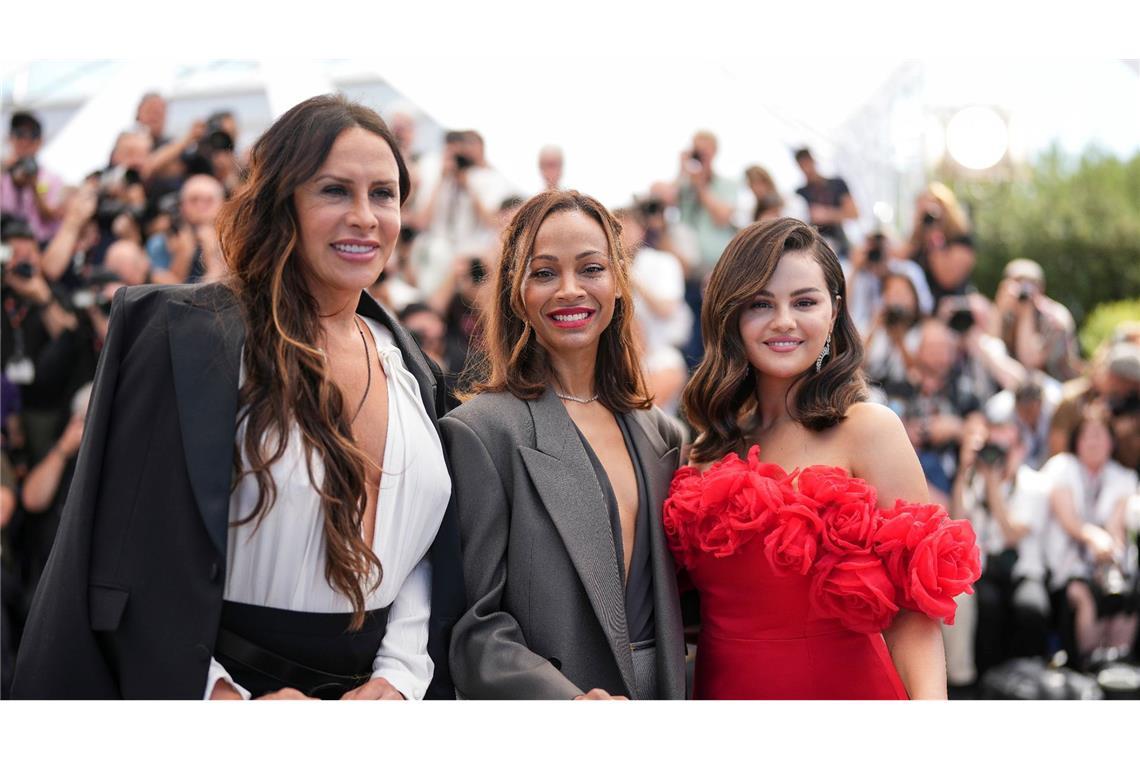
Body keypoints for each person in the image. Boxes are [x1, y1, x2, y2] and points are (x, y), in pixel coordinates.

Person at [11, 94, 464, 700]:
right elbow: (133, 545)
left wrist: (399, 674)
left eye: (383, 193)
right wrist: (220, 696)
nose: (365, 216)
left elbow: (420, 547)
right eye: (335, 191)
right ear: (282, 204)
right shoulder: (189, 339)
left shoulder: (415, 369)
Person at [665, 218, 980, 699]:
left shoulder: (869, 429)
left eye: (804, 301)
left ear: (833, 313)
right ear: (731, 316)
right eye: (761, 304)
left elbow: (915, 614)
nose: (784, 321)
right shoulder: (706, 446)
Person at [441, 190, 687, 699]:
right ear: (517, 292)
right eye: (545, 272)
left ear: (618, 283)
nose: (570, 290)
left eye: (591, 269)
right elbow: (473, 625)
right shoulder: (481, 432)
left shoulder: (660, 434)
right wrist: (566, 703)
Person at [1041, 405, 1138, 669]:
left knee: (1127, 599)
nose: (1094, 442)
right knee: (1085, 597)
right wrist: (1094, 538)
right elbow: (1069, 520)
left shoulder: (1124, 476)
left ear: (1111, 442)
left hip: (1109, 565)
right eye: (1088, 436)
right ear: (1077, 441)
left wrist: (1110, 549)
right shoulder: (1062, 467)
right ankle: (1088, 664)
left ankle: (1119, 666)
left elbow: (1118, 524)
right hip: (1069, 565)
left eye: (1100, 435)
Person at [793, 147, 858, 258]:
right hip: (813, 247)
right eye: (802, 165)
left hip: (839, 244)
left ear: (814, 160)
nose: (807, 169)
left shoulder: (837, 184)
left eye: (808, 163)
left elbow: (854, 213)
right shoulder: (800, 193)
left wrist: (826, 214)